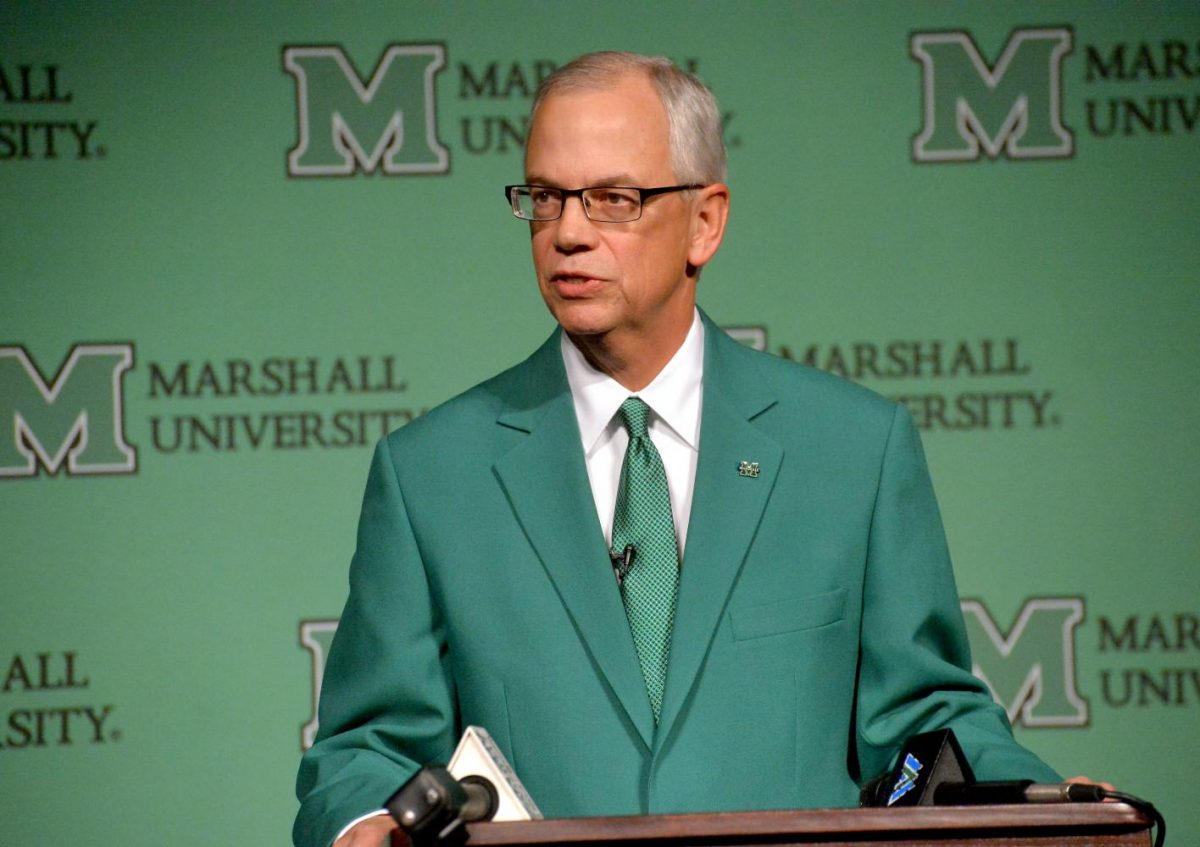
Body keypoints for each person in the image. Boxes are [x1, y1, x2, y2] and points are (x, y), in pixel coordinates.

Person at [294, 51, 1064, 847]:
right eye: (546, 197)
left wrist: (1043, 804)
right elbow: (363, 750)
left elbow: (927, 724)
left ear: (706, 221)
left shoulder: (855, 452)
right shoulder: (432, 475)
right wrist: (363, 822)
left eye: (612, 200)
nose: (567, 233)